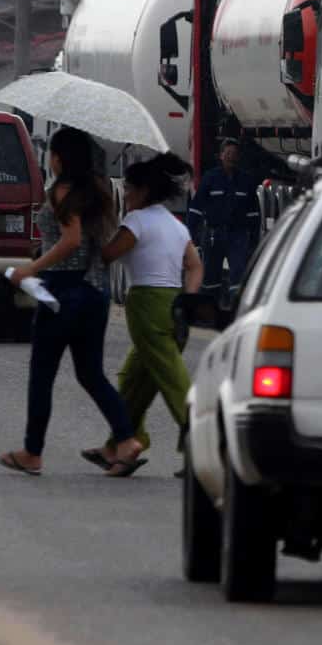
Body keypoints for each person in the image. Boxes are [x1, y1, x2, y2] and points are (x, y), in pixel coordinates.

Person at [0, 128, 144, 478]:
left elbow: (70, 239)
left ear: (59, 158)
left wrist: (31, 268)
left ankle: (32, 452)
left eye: (51, 152)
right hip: (94, 291)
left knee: (42, 373)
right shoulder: (95, 190)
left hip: (64, 291)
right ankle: (126, 440)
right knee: (90, 372)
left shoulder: (63, 191)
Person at [98, 152, 203, 475]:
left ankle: (203, 446)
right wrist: (188, 301)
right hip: (175, 305)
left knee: (173, 381)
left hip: (146, 304)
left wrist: (101, 224)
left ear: (144, 190)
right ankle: (123, 443)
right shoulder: (175, 225)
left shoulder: (137, 221)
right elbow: (195, 266)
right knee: (134, 378)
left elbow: (107, 254)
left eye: (129, 189)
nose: (126, 194)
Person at [186, 138, 260, 290]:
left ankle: (234, 309)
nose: (231, 156)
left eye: (234, 153)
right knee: (210, 278)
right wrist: (191, 235)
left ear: (238, 157)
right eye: (227, 153)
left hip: (238, 236)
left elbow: (254, 213)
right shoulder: (210, 178)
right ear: (221, 155)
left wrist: (253, 239)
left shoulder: (246, 181)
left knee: (238, 274)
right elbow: (196, 208)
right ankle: (211, 308)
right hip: (214, 236)